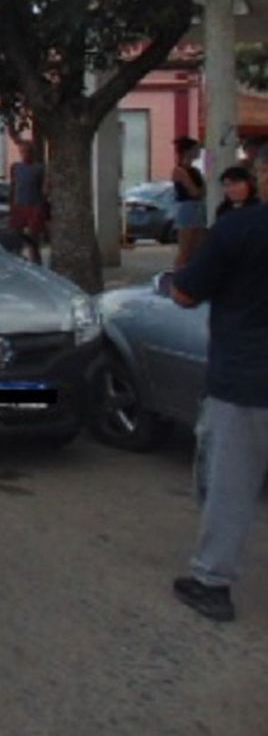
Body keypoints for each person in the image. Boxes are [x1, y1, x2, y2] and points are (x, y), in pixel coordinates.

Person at [168, 157, 268, 623]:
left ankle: (212, 582)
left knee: (230, 484)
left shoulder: (238, 230)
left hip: (245, 379)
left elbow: (186, 293)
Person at [171, 136, 207, 271]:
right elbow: (194, 192)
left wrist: (199, 191)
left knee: (198, 246)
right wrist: (199, 191)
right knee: (185, 249)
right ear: (187, 151)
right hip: (186, 208)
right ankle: (178, 275)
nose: (198, 152)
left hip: (197, 207)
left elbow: (203, 190)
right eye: (195, 149)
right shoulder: (179, 170)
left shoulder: (196, 170)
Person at [8, 140, 48, 250]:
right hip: (19, 206)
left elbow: (44, 189)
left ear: (32, 152)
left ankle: (35, 261)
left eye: (27, 151)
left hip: (34, 206)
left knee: (33, 240)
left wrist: (41, 207)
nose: (24, 154)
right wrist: (11, 205)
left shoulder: (40, 168)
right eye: (22, 151)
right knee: (16, 238)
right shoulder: (16, 167)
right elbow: (13, 186)